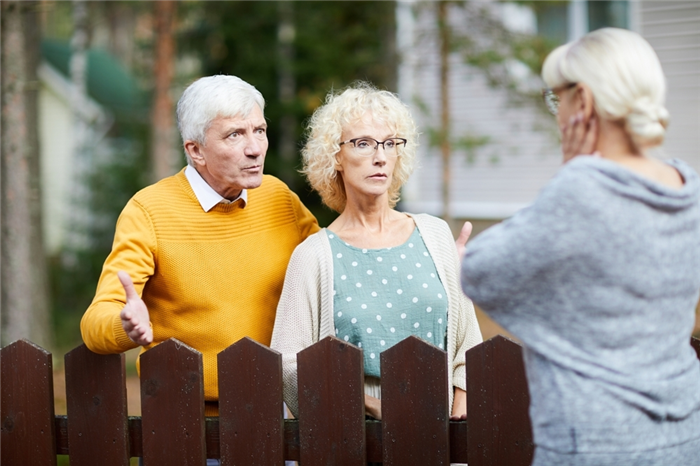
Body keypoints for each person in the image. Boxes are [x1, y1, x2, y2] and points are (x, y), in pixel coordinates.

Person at [460, 28, 700, 465]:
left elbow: (480, 271)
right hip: (683, 437)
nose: (557, 112)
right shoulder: (688, 187)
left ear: (584, 102)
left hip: (595, 444)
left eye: (559, 97)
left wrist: (573, 171)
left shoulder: (581, 189)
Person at [80, 75, 320, 418]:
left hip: (277, 416)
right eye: (234, 134)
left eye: (260, 130)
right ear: (195, 150)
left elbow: (330, 273)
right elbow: (94, 324)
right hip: (185, 424)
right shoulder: (149, 211)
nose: (254, 147)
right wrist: (126, 324)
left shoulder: (279, 198)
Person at [270, 83, 482, 421]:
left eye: (389, 143)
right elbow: (289, 365)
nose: (380, 156)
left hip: (440, 434)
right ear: (335, 156)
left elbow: (467, 343)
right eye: (363, 144)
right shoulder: (313, 255)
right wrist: (369, 406)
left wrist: (458, 421)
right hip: (351, 438)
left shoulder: (435, 234)